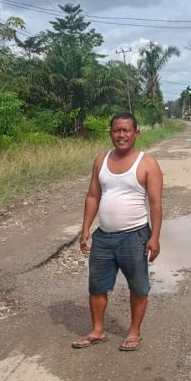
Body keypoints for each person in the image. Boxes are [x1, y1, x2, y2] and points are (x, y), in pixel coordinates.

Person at [74, 112, 163, 351]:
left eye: (126, 130)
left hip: (135, 237)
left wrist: (154, 237)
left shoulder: (147, 164)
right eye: (116, 130)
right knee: (97, 286)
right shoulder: (100, 160)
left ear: (136, 133)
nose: (121, 135)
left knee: (138, 286)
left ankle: (134, 332)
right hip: (103, 237)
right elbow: (93, 195)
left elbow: (155, 203)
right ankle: (97, 330)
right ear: (110, 133)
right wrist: (85, 229)